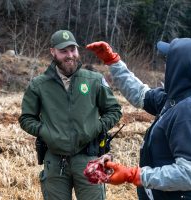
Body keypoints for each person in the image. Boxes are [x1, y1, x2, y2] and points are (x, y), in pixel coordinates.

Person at [86, 38, 191, 200]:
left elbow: (190, 174)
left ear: (181, 67)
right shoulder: (176, 97)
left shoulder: (189, 111)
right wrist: (113, 61)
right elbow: (141, 94)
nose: (165, 65)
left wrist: (134, 174)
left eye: (168, 60)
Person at [18, 30, 122, 200]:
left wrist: (96, 127)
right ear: (53, 52)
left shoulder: (94, 80)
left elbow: (114, 110)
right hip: (55, 161)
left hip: (89, 159)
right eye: (63, 51)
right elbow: (26, 118)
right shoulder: (39, 85)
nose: (70, 55)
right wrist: (46, 131)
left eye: (73, 50)